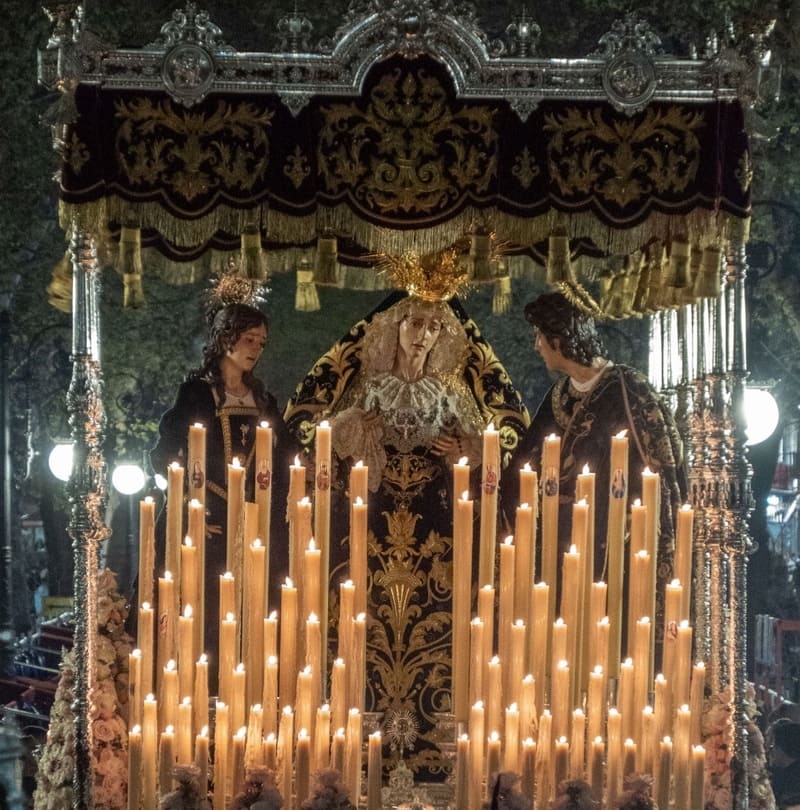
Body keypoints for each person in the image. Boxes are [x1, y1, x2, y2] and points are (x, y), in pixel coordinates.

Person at [285, 289, 529, 781]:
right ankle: (362, 739)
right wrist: (355, 427)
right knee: (364, 621)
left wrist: (466, 445)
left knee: (441, 617)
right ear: (393, 327)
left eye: (435, 328)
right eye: (415, 324)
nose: (423, 335)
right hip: (371, 526)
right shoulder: (368, 386)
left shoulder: (452, 388)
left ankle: (435, 742)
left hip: (436, 531)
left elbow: (494, 447)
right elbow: (324, 442)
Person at [502, 292, 687, 625]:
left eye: (539, 336)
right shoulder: (559, 396)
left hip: (619, 547)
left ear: (558, 339)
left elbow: (662, 464)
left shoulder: (630, 390)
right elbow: (520, 468)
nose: (536, 346)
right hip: (561, 548)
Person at [150, 302, 296, 685]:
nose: (255, 349)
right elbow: (168, 455)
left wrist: (303, 467)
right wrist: (192, 504)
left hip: (252, 523)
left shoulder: (263, 400)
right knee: (208, 616)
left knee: (255, 611)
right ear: (225, 339)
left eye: (261, 343)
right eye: (249, 340)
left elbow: (286, 455)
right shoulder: (198, 394)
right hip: (207, 523)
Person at [768, 719, 800, 809]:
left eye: (773, 745)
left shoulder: (791, 781)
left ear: (782, 749)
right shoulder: (784, 773)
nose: (770, 750)